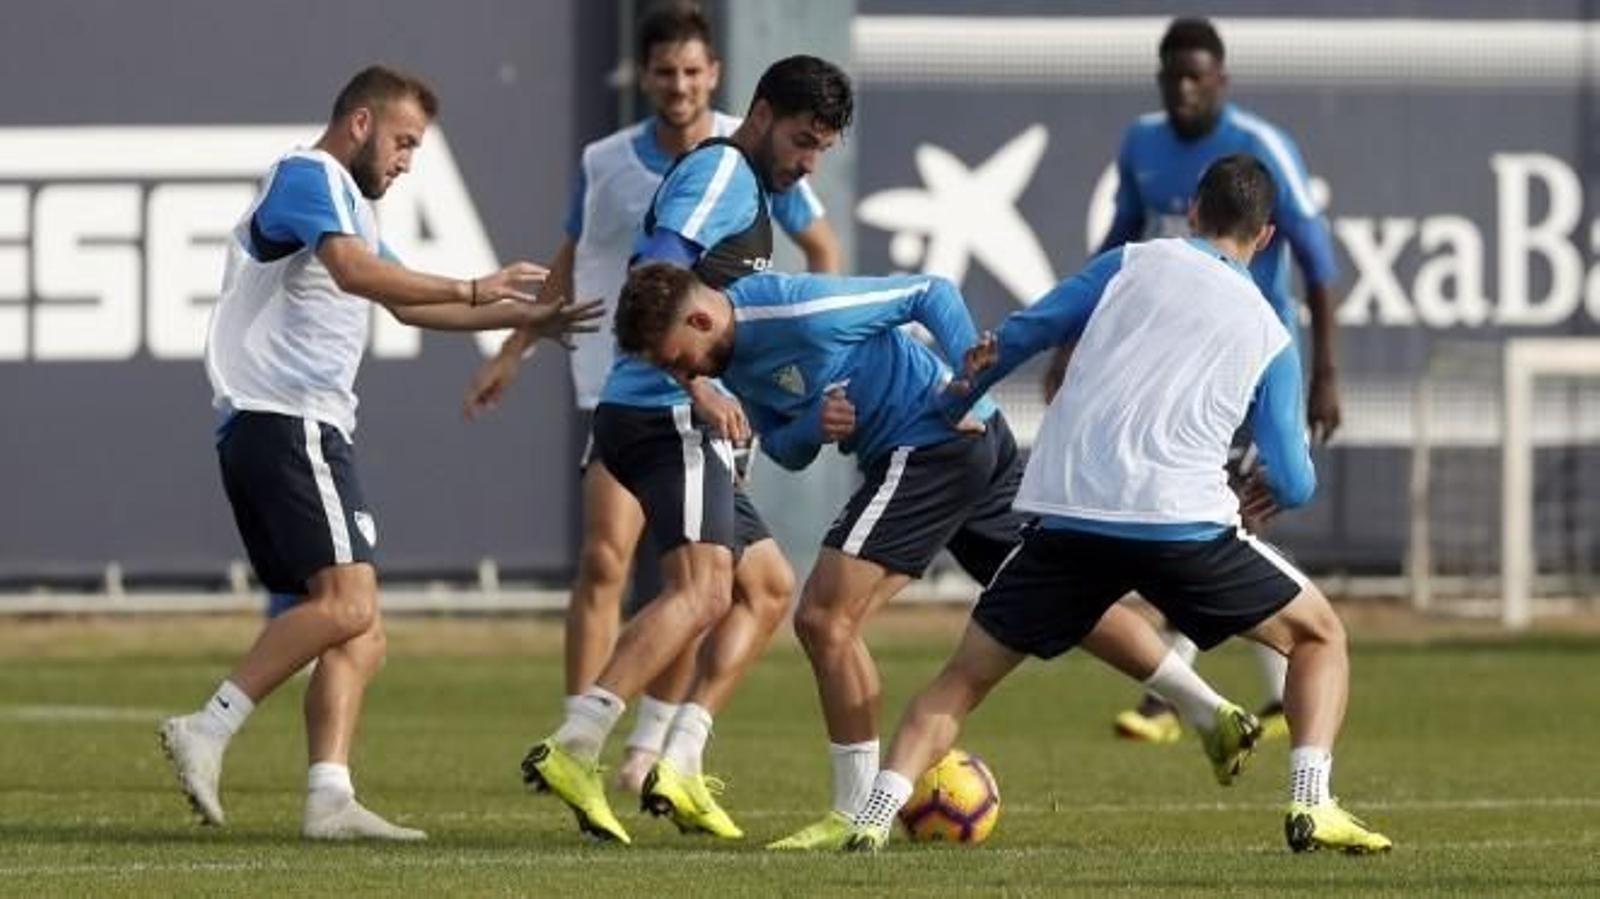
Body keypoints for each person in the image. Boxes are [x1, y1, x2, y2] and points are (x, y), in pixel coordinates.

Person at [614, 261, 1264, 853]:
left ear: (700, 319)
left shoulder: (791, 311)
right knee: (1065, 597)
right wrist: (817, 425)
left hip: (932, 439)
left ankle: (852, 809)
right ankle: (1211, 711)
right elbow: (784, 446)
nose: (685, 378)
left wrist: (967, 388)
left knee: (822, 617)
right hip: (952, 451)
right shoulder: (725, 360)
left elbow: (930, 292)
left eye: (681, 362)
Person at [844, 154, 1391, 855]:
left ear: (1193, 209)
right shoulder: (1268, 331)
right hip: (1182, 524)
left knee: (962, 679)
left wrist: (955, 399)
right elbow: (1293, 474)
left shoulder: (1130, 262)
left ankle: (872, 813)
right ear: (1265, 236)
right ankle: (1312, 801)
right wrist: (1276, 490)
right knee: (1320, 636)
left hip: (1066, 518)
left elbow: (1025, 332)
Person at [160, 65, 601, 841]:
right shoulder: (310, 174)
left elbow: (402, 298)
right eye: (402, 141)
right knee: (349, 604)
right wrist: (475, 287)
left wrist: (528, 319)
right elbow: (358, 274)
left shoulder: (347, 202)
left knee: (358, 631)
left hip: (293, 425)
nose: (405, 160)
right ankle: (210, 724)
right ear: (360, 122)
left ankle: (329, 796)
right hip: (286, 418)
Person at [464, 2, 836, 802]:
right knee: (694, 587)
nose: (809, 161)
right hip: (662, 401)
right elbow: (654, 266)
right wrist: (695, 379)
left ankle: (675, 760)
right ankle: (579, 740)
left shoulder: (747, 185)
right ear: (762, 115)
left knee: (764, 587)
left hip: (668, 401)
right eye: (803, 140)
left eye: (822, 148)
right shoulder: (721, 175)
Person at [1047, 17, 1345, 744]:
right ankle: (1270, 696)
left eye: (1196, 76)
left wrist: (1324, 372)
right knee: (1223, 518)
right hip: (1178, 359)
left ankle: (1169, 700)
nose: (1182, 88)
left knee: (1219, 516)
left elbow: (1318, 259)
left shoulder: (1261, 147)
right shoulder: (1140, 143)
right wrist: (1070, 339)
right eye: (1171, 75)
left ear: (1221, 81)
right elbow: (1117, 241)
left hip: (1251, 358)